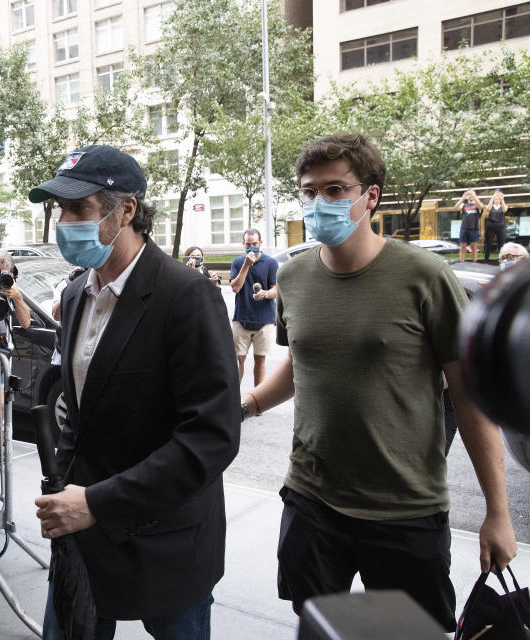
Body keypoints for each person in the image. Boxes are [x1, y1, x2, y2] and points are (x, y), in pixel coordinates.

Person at [242, 133, 517, 631]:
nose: (319, 201)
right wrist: (249, 404)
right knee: (317, 628)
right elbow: (302, 363)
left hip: (405, 511)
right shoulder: (293, 277)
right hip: (311, 502)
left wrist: (498, 511)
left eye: (334, 190)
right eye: (309, 191)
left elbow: (469, 398)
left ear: (370, 196)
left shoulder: (426, 277)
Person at [29, 144, 241, 639]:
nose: (64, 222)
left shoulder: (186, 295)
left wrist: (98, 502)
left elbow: (210, 437)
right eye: (60, 209)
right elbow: (81, 413)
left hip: (166, 540)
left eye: (78, 209)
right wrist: (65, 487)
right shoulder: (75, 293)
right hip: (82, 534)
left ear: (126, 210)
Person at [229, 229, 279, 386]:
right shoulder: (237, 262)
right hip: (241, 317)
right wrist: (246, 265)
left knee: (260, 359)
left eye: (255, 244)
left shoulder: (271, 263)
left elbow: (276, 289)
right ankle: (233, 398)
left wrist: (265, 294)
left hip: (265, 319)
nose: (252, 247)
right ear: (243, 244)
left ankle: (257, 400)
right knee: (239, 359)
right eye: (248, 245)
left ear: (261, 243)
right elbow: (235, 288)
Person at [456, 188, 485, 263]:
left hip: (474, 228)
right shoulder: (463, 205)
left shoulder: (477, 204)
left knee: (474, 247)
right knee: (463, 247)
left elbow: (481, 207)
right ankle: (461, 262)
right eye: (469, 194)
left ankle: (474, 263)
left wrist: (474, 196)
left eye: (472, 194)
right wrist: (463, 197)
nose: (470, 195)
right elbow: (456, 207)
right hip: (464, 228)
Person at [484, 189, 509, 263]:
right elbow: (488, 208)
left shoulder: (503, 205)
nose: (497, 199)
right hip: (491, 226)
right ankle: (486, 260)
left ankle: (501, 259)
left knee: (501, 244)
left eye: (498, 198)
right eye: (496, 198)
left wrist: (502, 199)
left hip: (500, 226)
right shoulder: (491, 206)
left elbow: (505, 210)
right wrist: (492, 197)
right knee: (488, 243)